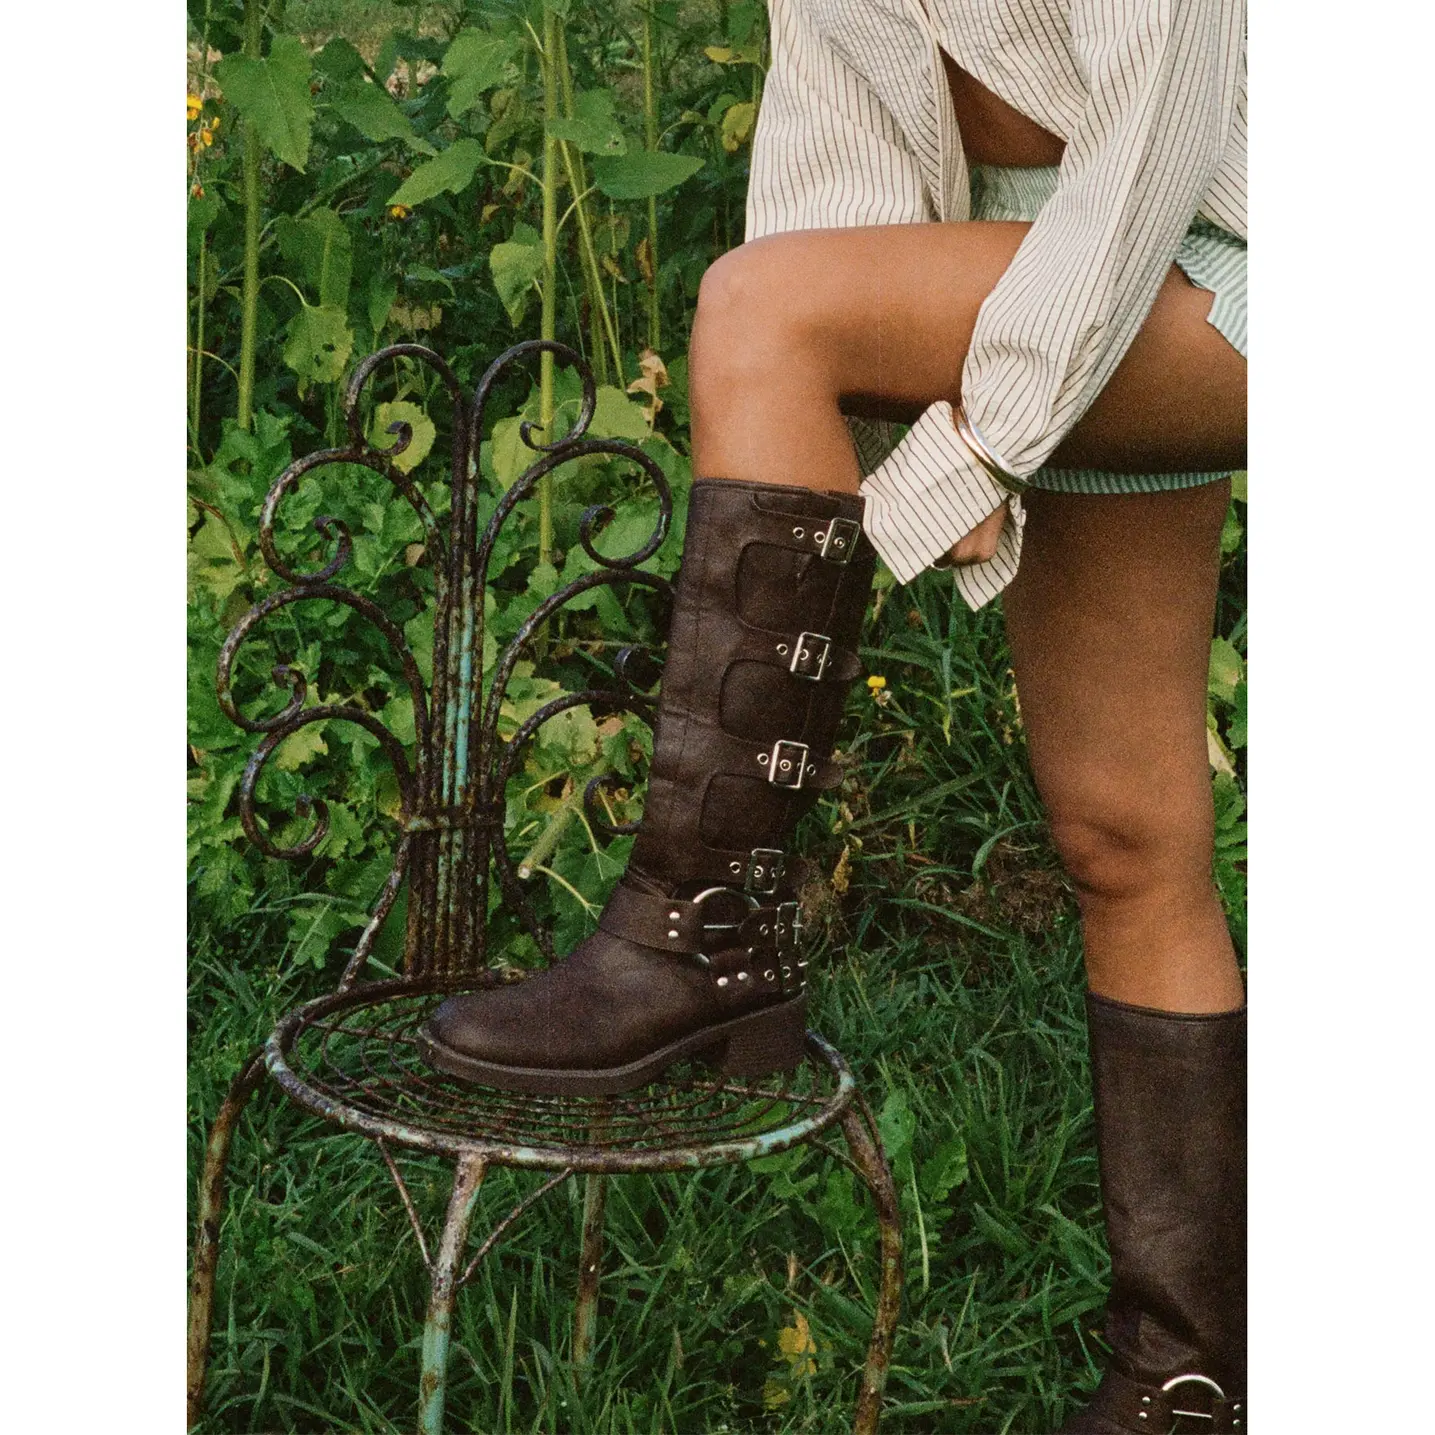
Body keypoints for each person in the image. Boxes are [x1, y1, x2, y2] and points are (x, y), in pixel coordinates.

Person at [422, 2, 1247, 1430]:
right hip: (1046, 266)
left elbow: (1154, 132)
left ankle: (702, 932)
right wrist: (883, 431)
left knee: (761, 310)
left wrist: (987, 430)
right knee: (1123, 835)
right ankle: (1185, 1381)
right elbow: (836, 165)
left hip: (1216, 245)